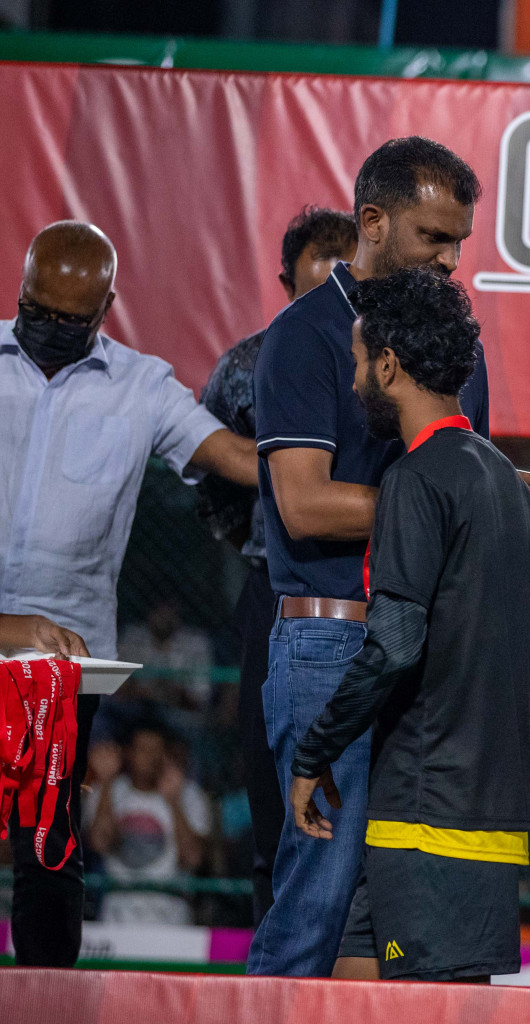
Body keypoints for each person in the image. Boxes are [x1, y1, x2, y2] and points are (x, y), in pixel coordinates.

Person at [249, 138, 530, 978]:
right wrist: (477, 508)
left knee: (391, 910)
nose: (450, 260)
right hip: (334, 640)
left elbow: (456, 472)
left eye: (459, 243)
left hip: (429, 656)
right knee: (319, 893)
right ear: (372, 222)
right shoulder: (302, 337)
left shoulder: (455, 342)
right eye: (434, 237)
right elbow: (303, 503)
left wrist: (522, 498)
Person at [287, 267, 530, 980]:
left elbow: (395, 642)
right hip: (477, 807)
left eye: (359, 360)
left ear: (388, 365)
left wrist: (312, 751)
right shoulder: (507, 482)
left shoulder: (416, 480)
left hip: (427, 811)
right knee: (358, 977)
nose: (354, 380)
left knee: (425, 1004)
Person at [0, 221, 256, 967]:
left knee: (47, 842)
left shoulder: (141, 387)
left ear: (107, 307)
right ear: (19, 285)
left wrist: (357, 480)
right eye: (34, 309)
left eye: (67, 320)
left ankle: (45, 999)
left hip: (61, 662)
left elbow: (235, 458)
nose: (46, 328)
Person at [197, 205, 358, 928]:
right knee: (274, 785)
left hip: (368, 590)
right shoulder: (244, 364)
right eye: (320, 256)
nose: (332, 270)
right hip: (274, 591)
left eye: (344, 255)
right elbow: (214, 495)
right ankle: (276, 961)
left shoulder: (383, 357)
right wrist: (269, 549)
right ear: (287, 273)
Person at [84, 725, 212, 925]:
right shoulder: (107, 792)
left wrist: (174, 803)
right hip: (118, 916)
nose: (151, 757)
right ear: (129, 753)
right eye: (143, 749)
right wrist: (107, 783)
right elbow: (100, 843)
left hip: (172, 918)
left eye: (157, 750)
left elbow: (194, 858)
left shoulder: (190, 796)